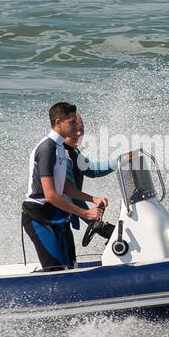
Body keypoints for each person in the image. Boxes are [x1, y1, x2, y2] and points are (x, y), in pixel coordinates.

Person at [21, 102, 107, 270]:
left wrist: (92, 198)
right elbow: (51, 195)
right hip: (39, 216)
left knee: (71, 266)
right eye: (72, 122)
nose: (77, 127)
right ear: (59, 122)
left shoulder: (60, 147)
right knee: (55, 271)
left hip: (56, 213)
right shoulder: (47, 149)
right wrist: (86, 213)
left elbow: (64, 186)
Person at [62, 119, 120, 245]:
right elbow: (70, 194)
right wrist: (90, 216)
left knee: (69, 260)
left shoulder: (73, 152)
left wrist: (121, 161)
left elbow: (92, 169)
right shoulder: (62, 157)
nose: (79, 134)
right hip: (51, 220)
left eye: (81, 129)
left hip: (64, 219)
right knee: (63, 262)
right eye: (74, 130)